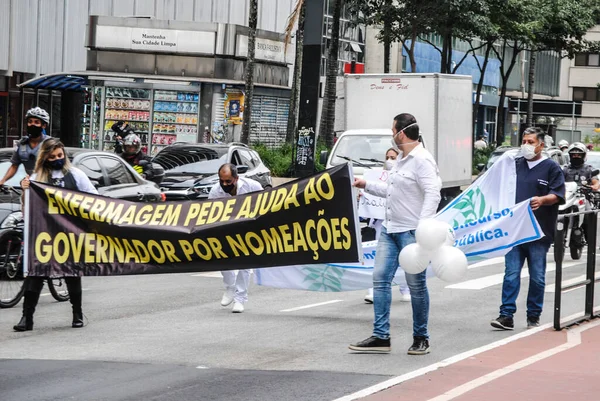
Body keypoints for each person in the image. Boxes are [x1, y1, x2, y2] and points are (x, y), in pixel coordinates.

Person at [349, 113, 441, 355]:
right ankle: (381, 336)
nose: (391, 135)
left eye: (392, 131)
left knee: (416, 285)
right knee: (380, 279)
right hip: (390, 230)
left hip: (411, 232)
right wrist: (365, 185)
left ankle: (421, 338)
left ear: (401, 133)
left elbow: (433, 193)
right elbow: (391, 190)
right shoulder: (401, 159)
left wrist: (424, 225)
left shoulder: (422, 160)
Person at [14, 138, 98, 331]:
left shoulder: (76, 175)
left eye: (60, 155)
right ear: (44, 158)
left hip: (69, 233)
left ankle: (77, 314)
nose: (57, 159)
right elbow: (28, 208)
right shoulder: (36, 178)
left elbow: (93, 198)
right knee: (36, 274)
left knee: (71, 272)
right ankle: (27, 318)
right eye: (52, 157)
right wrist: (25, 191)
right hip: (44, 234)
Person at [490, 127, 565, 331]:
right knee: (511, 273)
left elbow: (557, 195)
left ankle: (533, 315)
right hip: (514, 232)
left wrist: (542, 200)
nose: (526, 145)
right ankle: (506, 315)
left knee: (537, 276)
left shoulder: (551, 168)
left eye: (531, 142)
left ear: (541, 144)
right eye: (524, 141)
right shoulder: (514, 165)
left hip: (539, 232)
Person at [208, 163, 263, 313]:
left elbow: (264, 205)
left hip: (248, 230)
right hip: (226, 229)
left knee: (244, 264)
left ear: (236, 178)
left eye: (228, 181)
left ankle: (240, 299)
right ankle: (230, 288)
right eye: (222, 181)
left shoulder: (253, 186)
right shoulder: (215, 191)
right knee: (222, 260)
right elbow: (210, 214)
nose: (224, 184)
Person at [364, 147, 411, 304]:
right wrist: (362, 197)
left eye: (393, 157)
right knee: (378, 259)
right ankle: (373, 291)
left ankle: (405, 288)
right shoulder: (378, 178)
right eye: (387, 157)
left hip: (400, 224)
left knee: (404, 258)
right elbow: (367, 208)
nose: (389, 160)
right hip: (381, 226)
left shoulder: (403, 178)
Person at [0, 107, 51, 186]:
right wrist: (2, 181)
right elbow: (14, 166)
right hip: (31, 186)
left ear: (43, 125)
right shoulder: (22, 144)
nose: (32, 124)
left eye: (36, 122)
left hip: (49, 187)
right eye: (30, 122)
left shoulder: (50, 144)